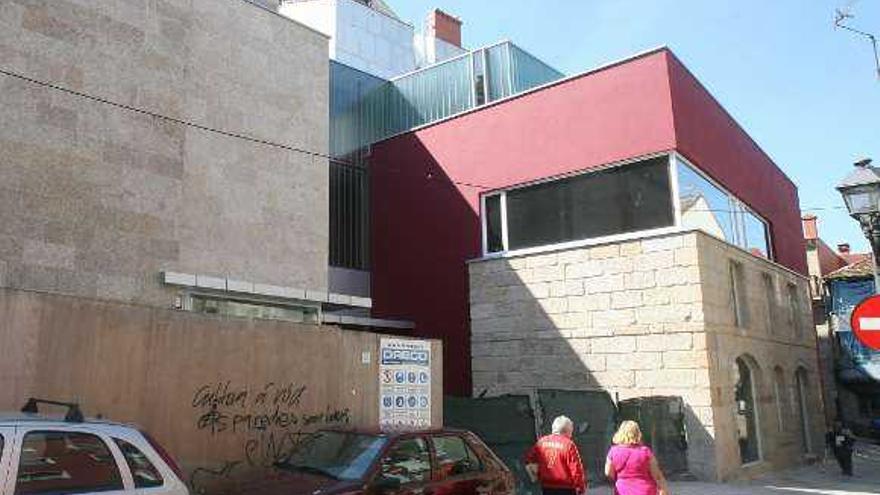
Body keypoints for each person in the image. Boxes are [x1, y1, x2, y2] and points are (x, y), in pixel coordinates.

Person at [525, 415, 587, 495]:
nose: (571, 435)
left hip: (547, 487)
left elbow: (529, 460)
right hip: (566, 489)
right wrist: (581, 489)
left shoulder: (541, 442)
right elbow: (576, 470)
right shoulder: (569, 445)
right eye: (571, 431)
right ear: (567, 431)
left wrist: (536, 476)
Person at [604, 421, 669, 495]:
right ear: (638, 434)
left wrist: (620, 477)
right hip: (645, 490)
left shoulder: (613, 451)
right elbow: (657, 475)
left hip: (623, 490)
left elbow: (608, 472)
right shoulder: (645, 451)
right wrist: (663, 490)